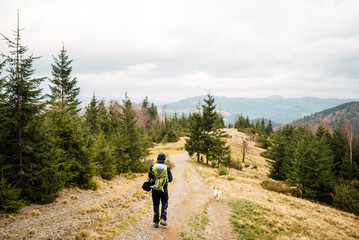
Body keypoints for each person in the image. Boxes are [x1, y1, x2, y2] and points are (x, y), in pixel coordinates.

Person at [149, 153, 173, 228]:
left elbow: (149, 176)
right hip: (164, 189)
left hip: (155, 189)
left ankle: (156, 222)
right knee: (164, 203)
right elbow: (171, 179)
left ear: (157, 158)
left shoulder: (153, 166)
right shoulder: (167, 168)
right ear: (164, 159)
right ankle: (163, 218)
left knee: (156, 204)